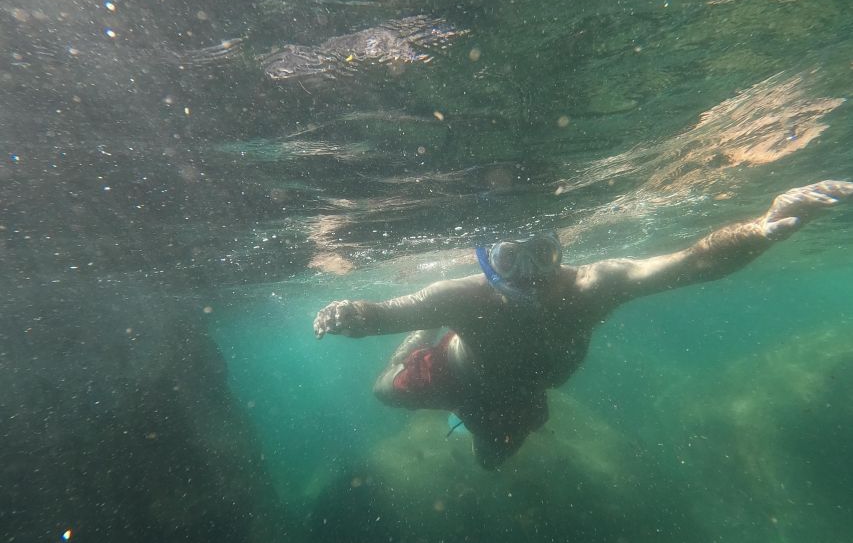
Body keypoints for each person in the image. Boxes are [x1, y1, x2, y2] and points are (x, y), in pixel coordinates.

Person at [313, 180, 852, 469]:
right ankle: (423, 343)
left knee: (491, 465)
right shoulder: (461, 296)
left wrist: (763, 228)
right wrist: (346, 314)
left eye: (540, 256)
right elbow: (380, 314)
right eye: (508, 259)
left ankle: (461, 402)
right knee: (385, 391)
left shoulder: (595, 286)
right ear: (484, 259)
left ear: (560, 252)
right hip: (455, 374)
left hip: (518, 396)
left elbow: (694, 262)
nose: (525, 276)